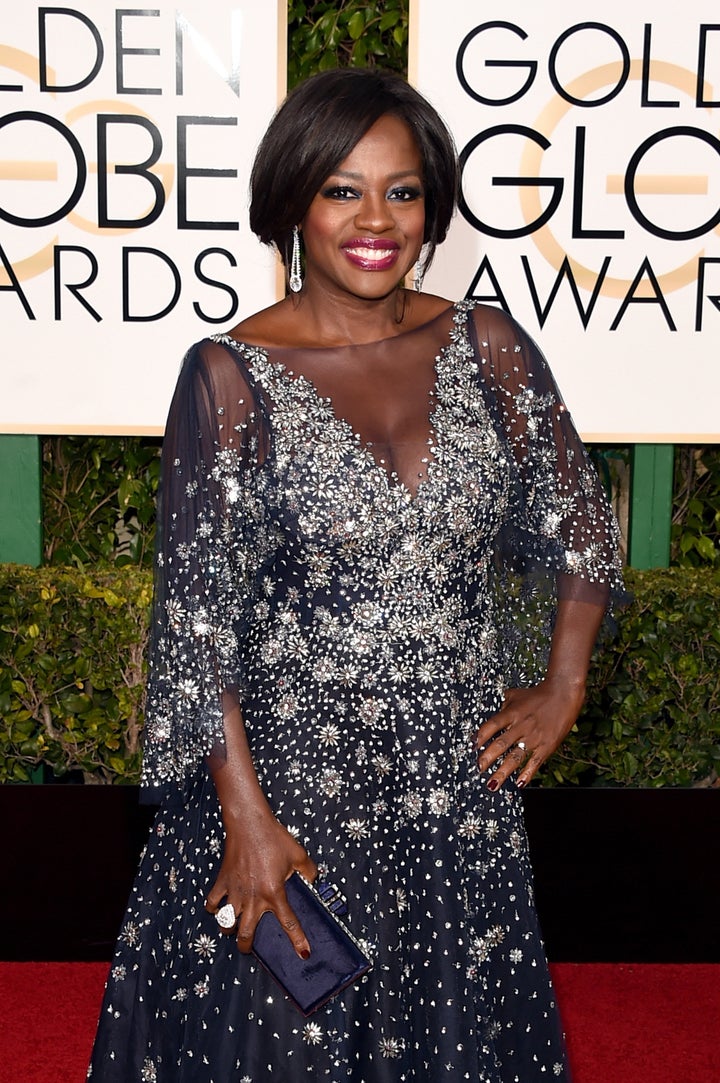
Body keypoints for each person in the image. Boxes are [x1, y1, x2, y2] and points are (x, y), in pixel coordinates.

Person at [89, 67, 623, 1081]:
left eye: (403, 190)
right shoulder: (228, 375)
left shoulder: (488, 344)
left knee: (449, 1044)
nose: (375, 219)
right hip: (288, 792)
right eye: (343, 189)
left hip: (456, 790)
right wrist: (245, 823)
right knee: (284, 1047)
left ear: (432, 207)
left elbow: (582, 522)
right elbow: (202, 626)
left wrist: (564, 683)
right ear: (294, 201)